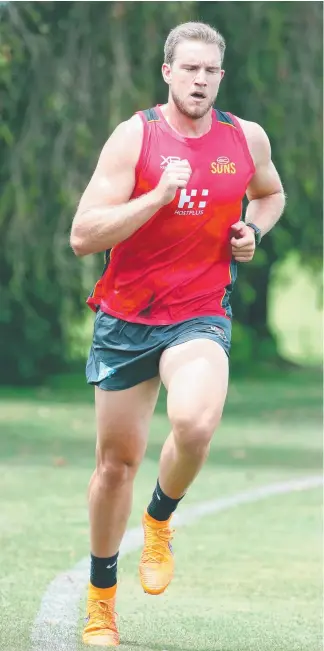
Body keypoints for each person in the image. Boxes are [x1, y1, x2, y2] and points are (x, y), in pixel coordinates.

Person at [70, 21, 285, 647]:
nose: (199, 80)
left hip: (198, 312)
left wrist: (254, 230)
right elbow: (85, 236)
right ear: (167, 72)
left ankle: (159, 518)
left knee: (195, 422)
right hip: (126, 317)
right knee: (117, 464)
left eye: (209, 70)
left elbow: (269, 195)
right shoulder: (134, 137)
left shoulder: (244, 139)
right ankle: (101, 602)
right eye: (188, 68)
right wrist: (156, 197)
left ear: (221, 75)